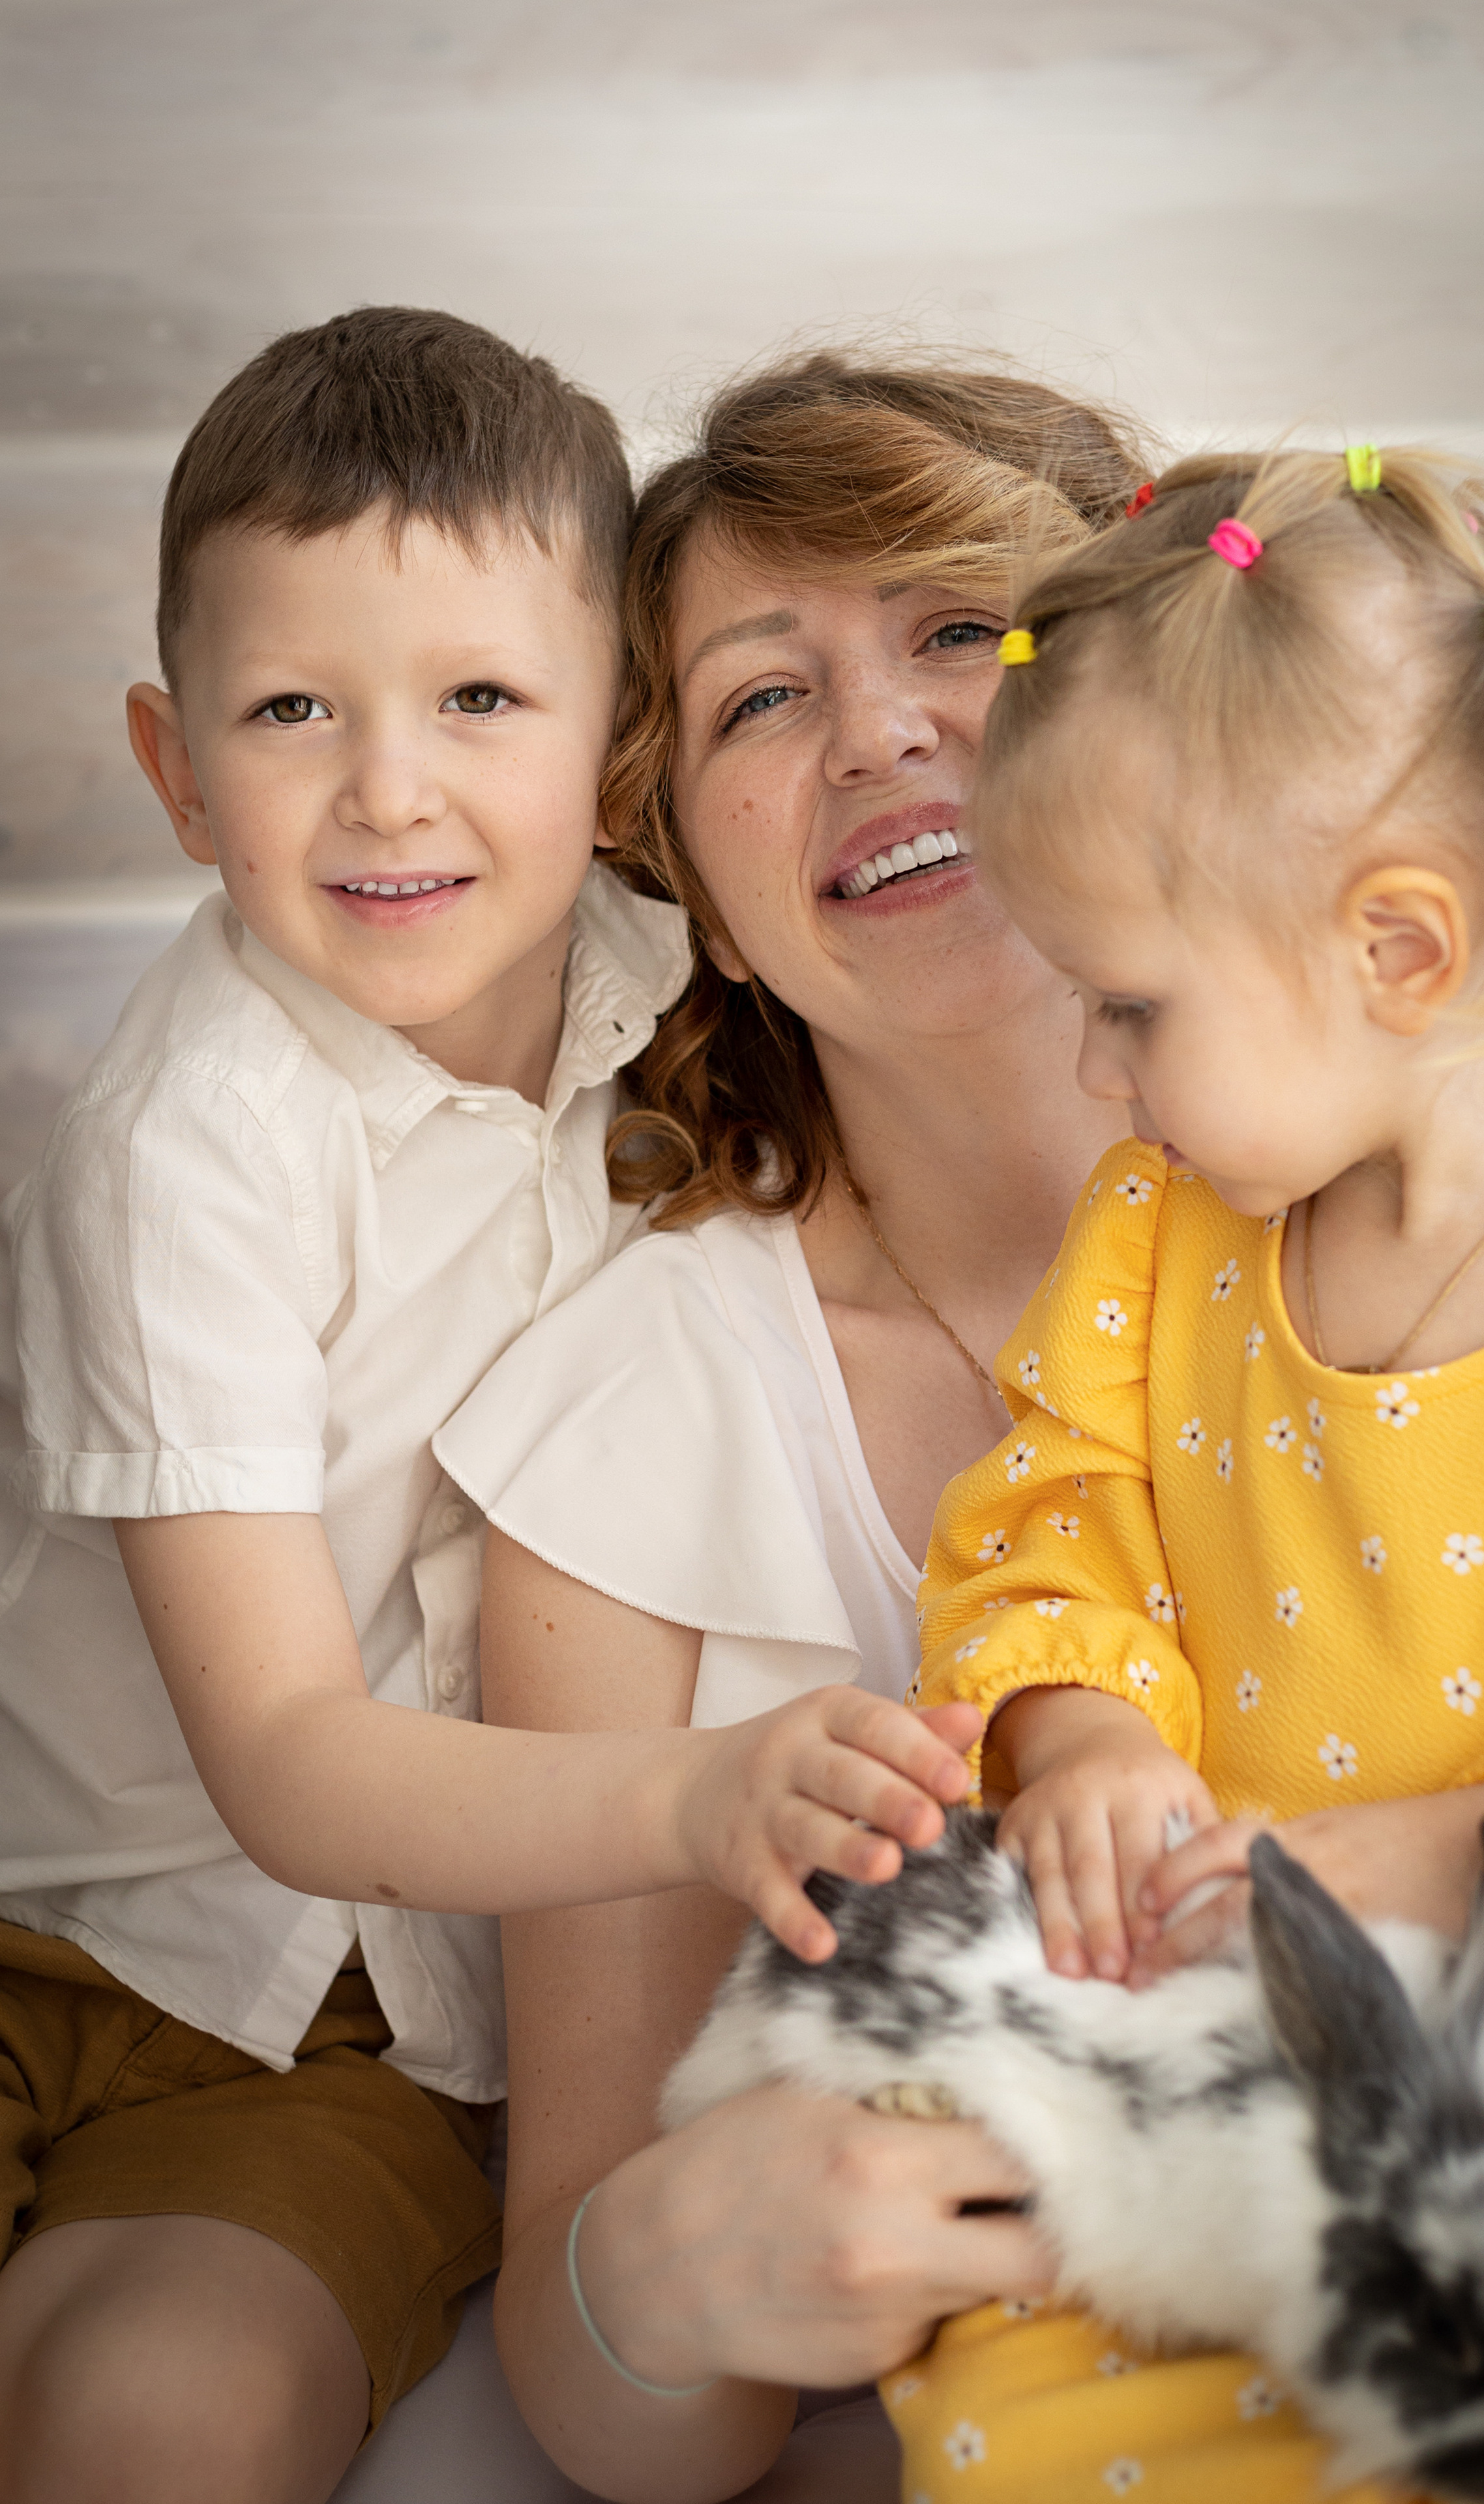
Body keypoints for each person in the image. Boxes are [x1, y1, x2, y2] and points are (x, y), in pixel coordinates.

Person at [0, 310, 971, 2504]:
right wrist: (695, 1797)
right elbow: (286, 1761)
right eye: (291, 710)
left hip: (341, 2024)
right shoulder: (194, 1149)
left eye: (480, 701)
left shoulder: (679, 968)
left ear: (616, 744)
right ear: (173, 768)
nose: (389, 789)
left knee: (157, 2420)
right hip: (79, 1898)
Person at [904, 444, 1484, 2497]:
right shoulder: (1162, 1239)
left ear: (1398, 950)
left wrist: (1473, 1849)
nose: (1096, 1071)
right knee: (1004, 2428)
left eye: (1129, 1004)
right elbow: (1049, 1526)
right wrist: (1080, 1736)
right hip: (1233, 2073)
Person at [431, 348, 1149, 2501]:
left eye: (961, 629)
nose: (880, 732)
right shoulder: (634, 1432)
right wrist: (666, 2280)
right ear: (690, 889)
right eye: (762, 697)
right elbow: (591, 2374)